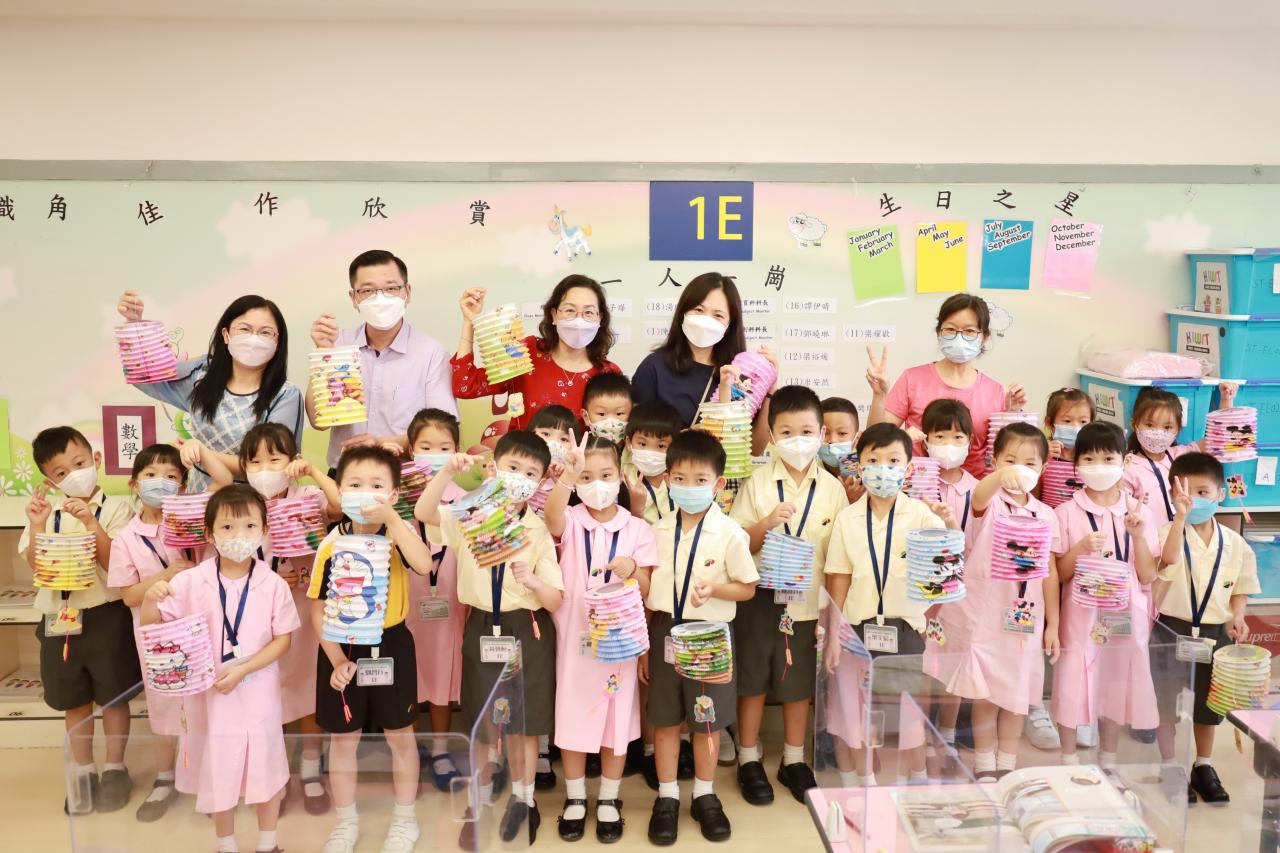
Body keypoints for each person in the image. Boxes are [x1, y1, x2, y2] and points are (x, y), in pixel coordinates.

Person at [417, 430, 564, 846]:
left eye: (530, 473)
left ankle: (524, 800)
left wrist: (533, 581)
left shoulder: (537, 529)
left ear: (540, 482)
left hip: (527, 628)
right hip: (482, 626)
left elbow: (555, 599)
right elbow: (425, 513)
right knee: (483, 724)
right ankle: (478, 802)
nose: (520, 477)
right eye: (512, 467)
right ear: (494, 468)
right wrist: (447, 472)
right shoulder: (469, 512)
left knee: (523, 725)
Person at [142, 485, 300, 853]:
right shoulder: (189, 581)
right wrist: (150, 599)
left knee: (265, 769)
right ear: (210, 534)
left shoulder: (273, 584)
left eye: (249, 526)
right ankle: (226, 844)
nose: (238, 535)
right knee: (219, 769)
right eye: (227, 527)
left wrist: (245, 669)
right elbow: (155, 627)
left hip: (258, 692)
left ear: (264, 531)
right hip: (210, 696)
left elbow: (283, 640)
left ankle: (268, 843)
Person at [199, 423, 342, 816]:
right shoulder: (241, 506)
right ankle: (268, 779)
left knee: (305, 687)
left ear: (292, 460)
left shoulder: (307, 496)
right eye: (255, 462)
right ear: (244, 467)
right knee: (265, 693)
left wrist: (313, 472)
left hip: (303, 608)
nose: (265, 469)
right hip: (253, 618)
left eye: (274, 459)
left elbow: (339, 506)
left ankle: (310, 768)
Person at [308, 446, 438, 853]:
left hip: (391, 645)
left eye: (377, 485)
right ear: (340, 491)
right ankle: (345, 822)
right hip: (341, 647)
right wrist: (335, 660)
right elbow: (318, 607)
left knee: (401, 736)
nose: (366, 493)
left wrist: (395, 520)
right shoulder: (331, 543)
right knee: (343, 740)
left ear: (394, 494)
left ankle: (405, 819)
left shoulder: (398, 534)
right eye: (355, 484)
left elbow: (424, 564)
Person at [730, 386, 847, 805]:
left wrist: (831, 613)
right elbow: (738, 544)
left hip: (809, 600)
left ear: (821, 434)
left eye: (807, 431)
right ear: (772, 436)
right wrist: (765, 522)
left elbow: (838, 557)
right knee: (753, 679)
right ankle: (748, 757)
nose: (797, 440)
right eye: (786, 432)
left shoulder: (833, 489)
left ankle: (794, 759)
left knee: (798, 683)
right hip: (760, 598)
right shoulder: (757, 483)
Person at [924, 422, 1062, 781]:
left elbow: (1050, 572)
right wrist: (1001, 477)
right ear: (994, 461)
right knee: (985, 694)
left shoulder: (1046, 514)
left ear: (1044, 467)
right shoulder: (988, 501)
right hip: (985, 617)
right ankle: (985, 763)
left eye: (1029, 463)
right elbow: (981, 496)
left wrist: (1053, 624)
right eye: (1009, 460)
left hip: (1025, 618)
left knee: (1015, 696)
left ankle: (1008, 764)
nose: (1019, 470)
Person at [643, 431, 758, 846]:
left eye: (700, 479)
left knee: (706, 722)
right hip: (664, 631)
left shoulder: (729, 532)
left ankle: (705, 795)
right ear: (667, 479)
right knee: (664, 719)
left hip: (710, 637)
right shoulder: (656, 530)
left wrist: (716, 589)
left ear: (718, 483)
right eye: (679, 478)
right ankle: (668, 795)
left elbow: (747, 587)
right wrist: (643, 646)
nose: (688, 487)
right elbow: (647, 591)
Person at [823, 424, 956, 784]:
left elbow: (945, 575)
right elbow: (838, 578)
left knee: (906, 713)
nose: (883, 468)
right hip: (855, 630)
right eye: (873, 460)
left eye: (893, 460)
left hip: (904, 629)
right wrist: (833, 635)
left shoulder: (923, 517)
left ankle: (914, 779)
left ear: (908, 469)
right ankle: (862, 783)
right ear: (860, 466)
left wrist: (949, 524)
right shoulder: (848, 519)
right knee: (855, 710)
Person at [544, 432, 658, 844]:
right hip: (574, 640)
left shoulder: (638, 528)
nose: (597, 483)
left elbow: (648, 588)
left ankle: (609, 797)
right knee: (572, 716)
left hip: (619, 644)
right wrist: (566, 478)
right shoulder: (571, 518)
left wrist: (633, 569)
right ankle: (575, 796)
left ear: (620, 476)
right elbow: (551, 519)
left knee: (616, 720)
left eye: (606, 474)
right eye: (586, 476)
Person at [22, 426, 139, 815]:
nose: (73, 474)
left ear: (96, 460)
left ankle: (116, 768)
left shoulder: (119, 508)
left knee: (114, 697)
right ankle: (84, 771)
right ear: (50, 481)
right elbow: (36, 565)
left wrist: (91, 523)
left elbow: (117, 565)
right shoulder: (45, 513)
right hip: (59, 618)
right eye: (61, 472)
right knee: (73, 699)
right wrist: (38, 525)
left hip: (107, 616)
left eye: (79, 463)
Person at [116, 290, 303, 491]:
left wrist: (203, 454)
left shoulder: (285, 395)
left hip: (253, 503)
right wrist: (135, 325)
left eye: (265, 332)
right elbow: (143, 377)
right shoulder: (201, 376)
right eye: (244, 329)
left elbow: (277, 465)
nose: (253, 339)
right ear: (226, 334)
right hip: (199, 496)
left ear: (277, 343)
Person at [1051, 422, 1158, 768]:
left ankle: (1108, 759)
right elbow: (1060, 574)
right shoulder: (1065, 513)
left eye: (1108, 458)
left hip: (1124, 614)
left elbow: (1147, 574)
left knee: (1116, 680)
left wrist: (1137, 536)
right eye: (1089, 459)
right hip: (1081, 614)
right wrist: (1081, 548)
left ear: (1124, 462)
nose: (1099, 466)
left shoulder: (1138, 511)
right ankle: (1068, 759)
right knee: (1072, 680)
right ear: (1076, 464)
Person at [1153, 453, 1257, 804]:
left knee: (1209, 703)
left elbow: (1241, 587)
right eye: (1184, 493)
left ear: (1219, 494)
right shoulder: (1168, 533)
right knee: (1166, 701)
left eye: (1202, 492)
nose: (1194, 500)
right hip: (1171, 628)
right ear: (1173, 496)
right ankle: (1169, 764)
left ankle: (1204, 764)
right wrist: (1180, 519)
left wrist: (1237, 615)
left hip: (1214, 633)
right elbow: (1165, 562)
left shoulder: (1234, 543)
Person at [108, 444, 197, 822]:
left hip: (199, 631)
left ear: (183, 486)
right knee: (162, 705)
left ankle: (200, 777)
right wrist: (165, 576)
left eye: (171, 476)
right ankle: (164, 778)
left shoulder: (193, 525)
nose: (161, 482)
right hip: (156, 637)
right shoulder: (126, 539)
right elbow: (129, 595)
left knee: (201, 703)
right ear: (135, 484)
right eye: (150, 475)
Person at [307, 250, 458, 471]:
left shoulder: (431, 353)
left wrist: (380, 444)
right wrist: (322, 354)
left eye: (391, 288)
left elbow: (445, 432)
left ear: (407, 292)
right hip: (344, 477)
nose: (380, 298)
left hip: (406, 478)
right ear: (354, 298)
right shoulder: (338, 346)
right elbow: (318, 422)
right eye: (368, 290)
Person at [867, 294, 1027, 478]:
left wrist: (1012, 413)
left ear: (984, 337)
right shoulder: (912, 379)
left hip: (975, 489)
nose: (959, 337)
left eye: (969, 331)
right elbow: (876, 439)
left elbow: (1005, 452)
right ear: (939, 333)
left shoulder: (995, 391)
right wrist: (879, 395)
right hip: (918, 487)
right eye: (950, 329)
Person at [631, 272, 776, 454]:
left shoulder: (739, 375)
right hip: (667, 470)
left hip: (722, 471)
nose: (706, 320)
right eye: (699, 310)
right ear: (683, 312)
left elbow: (755, 449)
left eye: (718, 315)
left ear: (730, 325)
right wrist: (687, 436)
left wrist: (770, 384)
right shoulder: (654, 367)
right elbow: (636, 437)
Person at [452, 275, 621, 430]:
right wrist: (469, 321)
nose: (578, 320)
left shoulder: (608, 373)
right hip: (522, 453)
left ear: (600, 318)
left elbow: (614, 435)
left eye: (588, 312)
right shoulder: (525, 353)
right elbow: (465, 386)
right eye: (570, 310)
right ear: (554, 315)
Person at [403, 408, 469, 793]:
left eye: (444, 447)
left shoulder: (466, 500)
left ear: (457, 450)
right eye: (425, 447)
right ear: (411, 449)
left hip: (449, 604)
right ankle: (409, 750)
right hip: (407, 604)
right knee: (409, 681)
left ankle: (441, 749)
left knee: (444, 678)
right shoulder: (399, 496)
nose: (435, 454)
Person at [1123, 383, 1238, 530]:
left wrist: (1226, 400)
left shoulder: (1182, 456)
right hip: (1149, 541)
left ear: (1177, 430)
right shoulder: (1127, 467)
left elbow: (1220, 438)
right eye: (1150, 425)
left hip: (1183, 539)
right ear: (1134, 424)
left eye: (1167, 427)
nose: (1158, 433)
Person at [622, 401, 683, 526]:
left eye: (661, 446)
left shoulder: (683, 476)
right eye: (642, 444)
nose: (650, 453)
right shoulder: (622, 476)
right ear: (629, 443)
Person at [819, 396, 862, 503]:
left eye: (842, 433)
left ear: (857, 438)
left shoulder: (865, 472)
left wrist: (848, 464)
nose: (833, 440)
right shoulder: (810, 470)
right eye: (825, 433)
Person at [1044, 387, 1095, 465]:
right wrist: (1043, 456)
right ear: (1049, 422)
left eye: (1083, 421)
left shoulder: (1093, 455)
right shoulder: (1042, 452)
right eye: (1067, 421)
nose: (1076, 427)